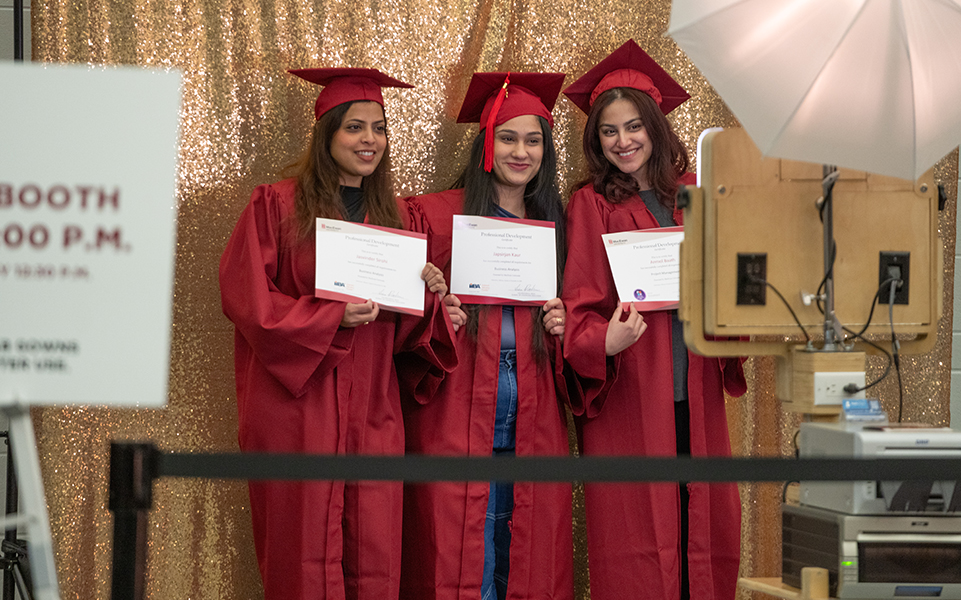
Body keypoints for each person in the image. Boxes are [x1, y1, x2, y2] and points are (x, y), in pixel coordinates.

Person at [219, 67, 457, 600]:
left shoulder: (398, 219)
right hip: (296, 409)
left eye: (379, 128)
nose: (369, 140)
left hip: (374, 405)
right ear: (327, 135)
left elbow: (408, 331)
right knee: (301, 551)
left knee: (374, 548)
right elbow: (247, 298)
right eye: (354, 127)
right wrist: (330, 317)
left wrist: (430, 298)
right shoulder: (277, 205)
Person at [560, 41, 748, 600]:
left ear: (656, 127)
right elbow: (578, 306)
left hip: (696, 386)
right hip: (632, 392)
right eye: (609, 131)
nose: (623, 141)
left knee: (702, 525)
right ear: (596, 140)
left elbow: (731, 284)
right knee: (638, 535)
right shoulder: (592, 203)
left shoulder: (697, 194)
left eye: (634, 126)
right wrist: (605, 338)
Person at [398, 72, 574, 600]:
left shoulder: (555, 225)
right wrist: (435, 307)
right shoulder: (434, 216)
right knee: (460, 562)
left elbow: (583, 319)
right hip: (457, 418)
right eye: (508, 138)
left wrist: (562, 323)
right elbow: (394, 305)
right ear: (486, 145)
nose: (521, 152)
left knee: (522, 560)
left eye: (533, 140)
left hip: (532, 420)